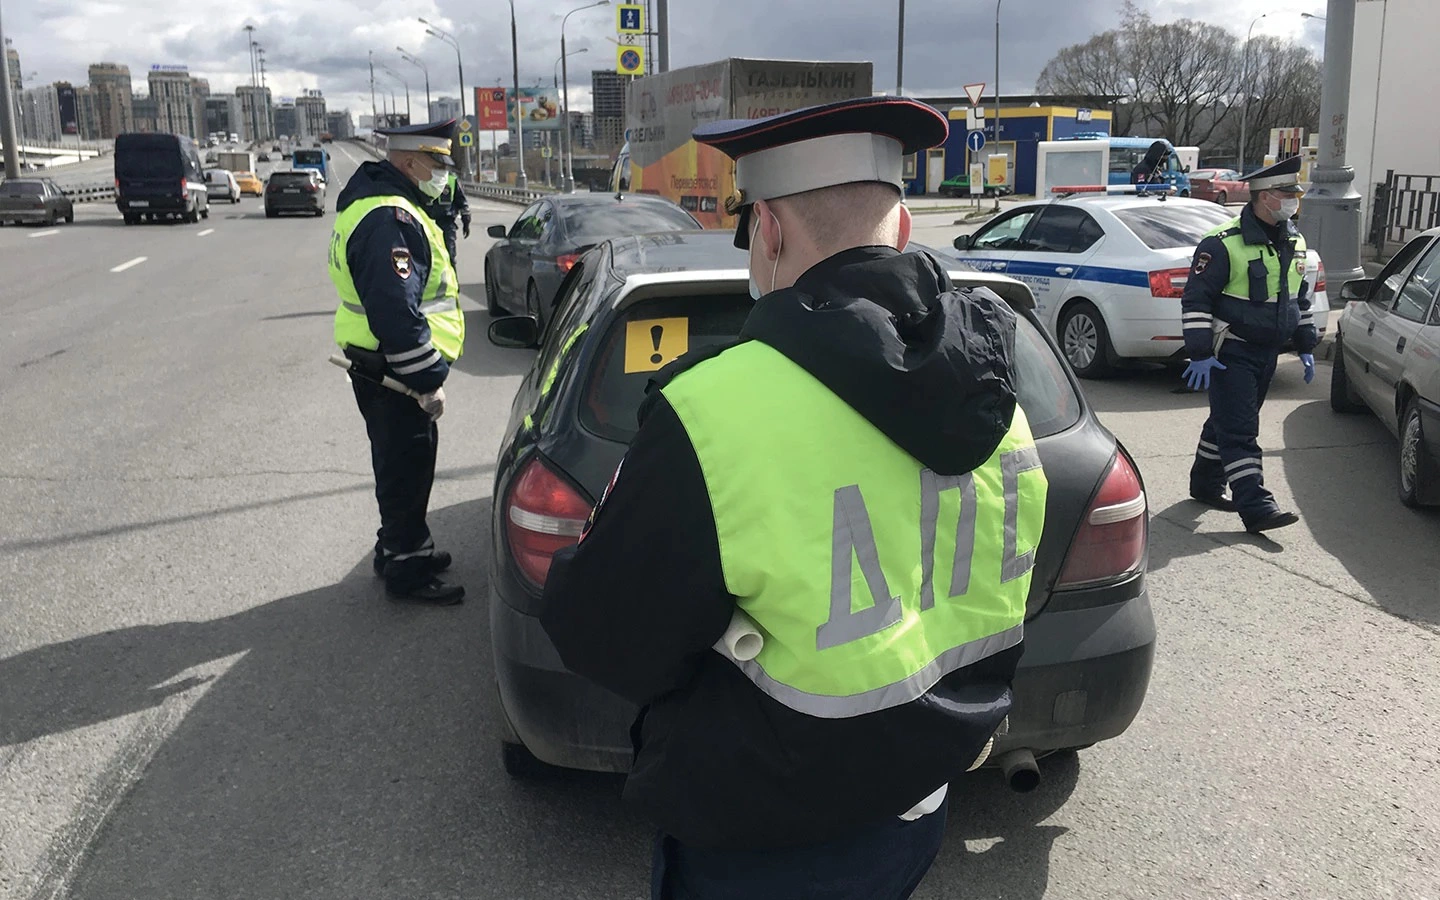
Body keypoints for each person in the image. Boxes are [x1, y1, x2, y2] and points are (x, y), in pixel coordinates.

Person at [537, 97, 1049, 899]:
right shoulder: (1003, 398)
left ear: (768, 230)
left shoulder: (714, 412)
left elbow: (608, 638)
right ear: (905, 229)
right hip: (920, 811)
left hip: (767, 843)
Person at [328, 120, 466, 604]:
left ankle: (401, 547)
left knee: (400, 462)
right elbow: (395, 312)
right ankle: (408, 570)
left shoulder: (385, 204)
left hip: (382, 366)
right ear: (409, 162)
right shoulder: (391, 218)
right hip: (395, 371)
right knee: (405, 468)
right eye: (437, 163)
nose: (444, 174)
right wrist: (427, 379)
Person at [1180, 155, 1316, 534]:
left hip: (1267, 352)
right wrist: (1201, 352)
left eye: (1294, 192)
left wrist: (1306, 343)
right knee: (1241, 430)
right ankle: (1256, 507)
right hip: (1231, 352)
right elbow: (1196, 300)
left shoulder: (1294, 239)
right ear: (1262, 196)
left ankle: (1205, 485)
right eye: (1284, 192)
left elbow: (1297, 298)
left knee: (1225, 421)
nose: (1292, 199)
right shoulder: (1223, 244)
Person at [431, 171, 471, 265]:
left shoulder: (451, 179)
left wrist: (466, 222)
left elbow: (461, 202)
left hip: (446, 224)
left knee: (449, 258)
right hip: (425, 223)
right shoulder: (419, 175)